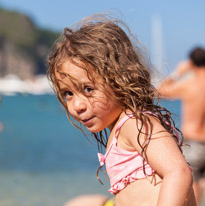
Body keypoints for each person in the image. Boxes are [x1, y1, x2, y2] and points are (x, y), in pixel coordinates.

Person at [47, 14, 196, 206]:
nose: (77, 105)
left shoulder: (134, 123)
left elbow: (178, 172)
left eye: (88, 89)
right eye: (68, 93)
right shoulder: (123, 127)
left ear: (119, 79)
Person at [158, 47, 205, 205]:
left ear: (191, 63)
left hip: (194, 143)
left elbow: (159, 91)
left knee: (195, 184)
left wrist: (178, 72)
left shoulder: (188, 84)